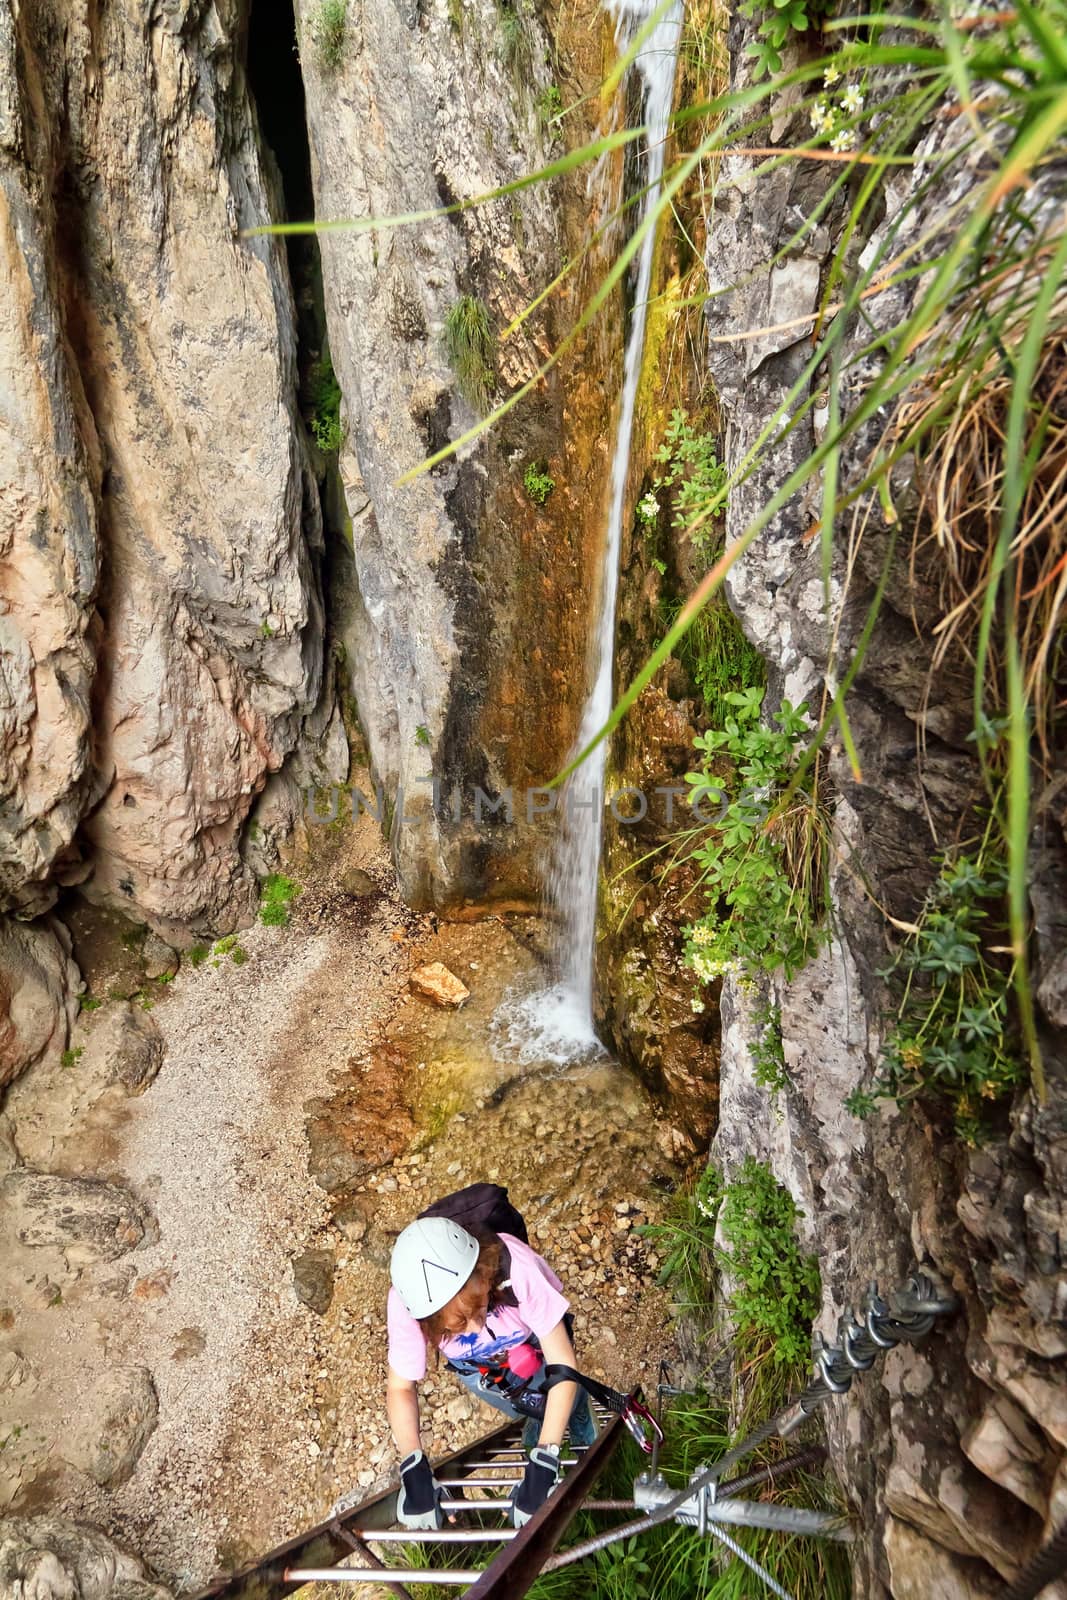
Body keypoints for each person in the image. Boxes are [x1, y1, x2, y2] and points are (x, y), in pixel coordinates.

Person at [385, 1215, 597, 1530]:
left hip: (531, 1346)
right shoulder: (408, 1306)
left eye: (478, 1306)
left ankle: (577, 1413)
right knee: (521, 1405)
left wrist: (545, 1461)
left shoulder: (515, 1266)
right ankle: (539, 1417)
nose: (477, 1326)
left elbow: (562, 1365)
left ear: (484, 1272)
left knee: (565, 1392)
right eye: (456, 1325)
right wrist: (413, 1466)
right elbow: (401, 1388)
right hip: (478, 1369)